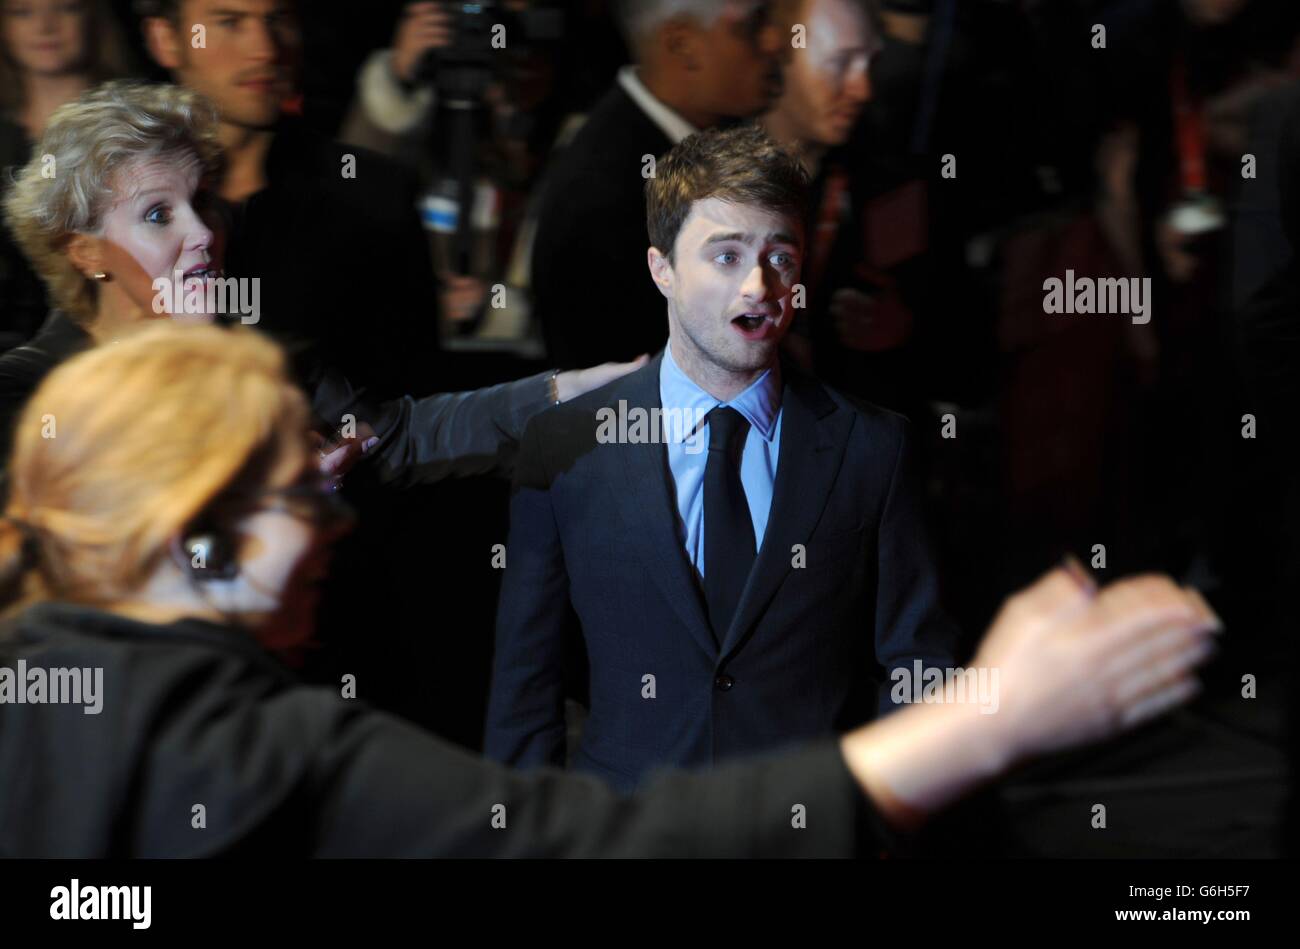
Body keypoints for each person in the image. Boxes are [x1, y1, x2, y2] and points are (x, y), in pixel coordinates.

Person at [0, 322, 1220, 856]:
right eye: (300, 496)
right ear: (189, 534)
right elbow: (588, 846)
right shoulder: (261, 751)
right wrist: (985, 718)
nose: (332, 529)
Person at [486, 125, 961, 791]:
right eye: (727, 256)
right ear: (662, 269)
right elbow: (524, 687)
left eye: (781, 258)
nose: (760, 287)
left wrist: (882, 817)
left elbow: (915, 663)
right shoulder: (568, 446)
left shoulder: (872, 448)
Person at [0, 81, 641, 480]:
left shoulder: (259, 356)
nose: (202, 232)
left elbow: (404, 437)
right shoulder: (25, 400)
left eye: (204, 202)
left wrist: (572, 390)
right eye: (158, 214)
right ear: (85, 250)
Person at [135, 0, 448, 399]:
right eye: (229, 22)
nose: (265, 49)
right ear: (165, 39)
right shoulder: (114, 203)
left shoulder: (373, 198)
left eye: (278, 19)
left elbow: (416, 403)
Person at [530, 0, 785, 367]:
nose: (775, 41)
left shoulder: (695, 147)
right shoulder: (606, 200)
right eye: (750, 27)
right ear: (682, 46)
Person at [0, 0, 135, 350]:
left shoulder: (141, 127)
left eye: (66, 8)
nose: (45, 26)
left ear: (92, 18)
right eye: (22, 12)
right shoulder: (5, 141)